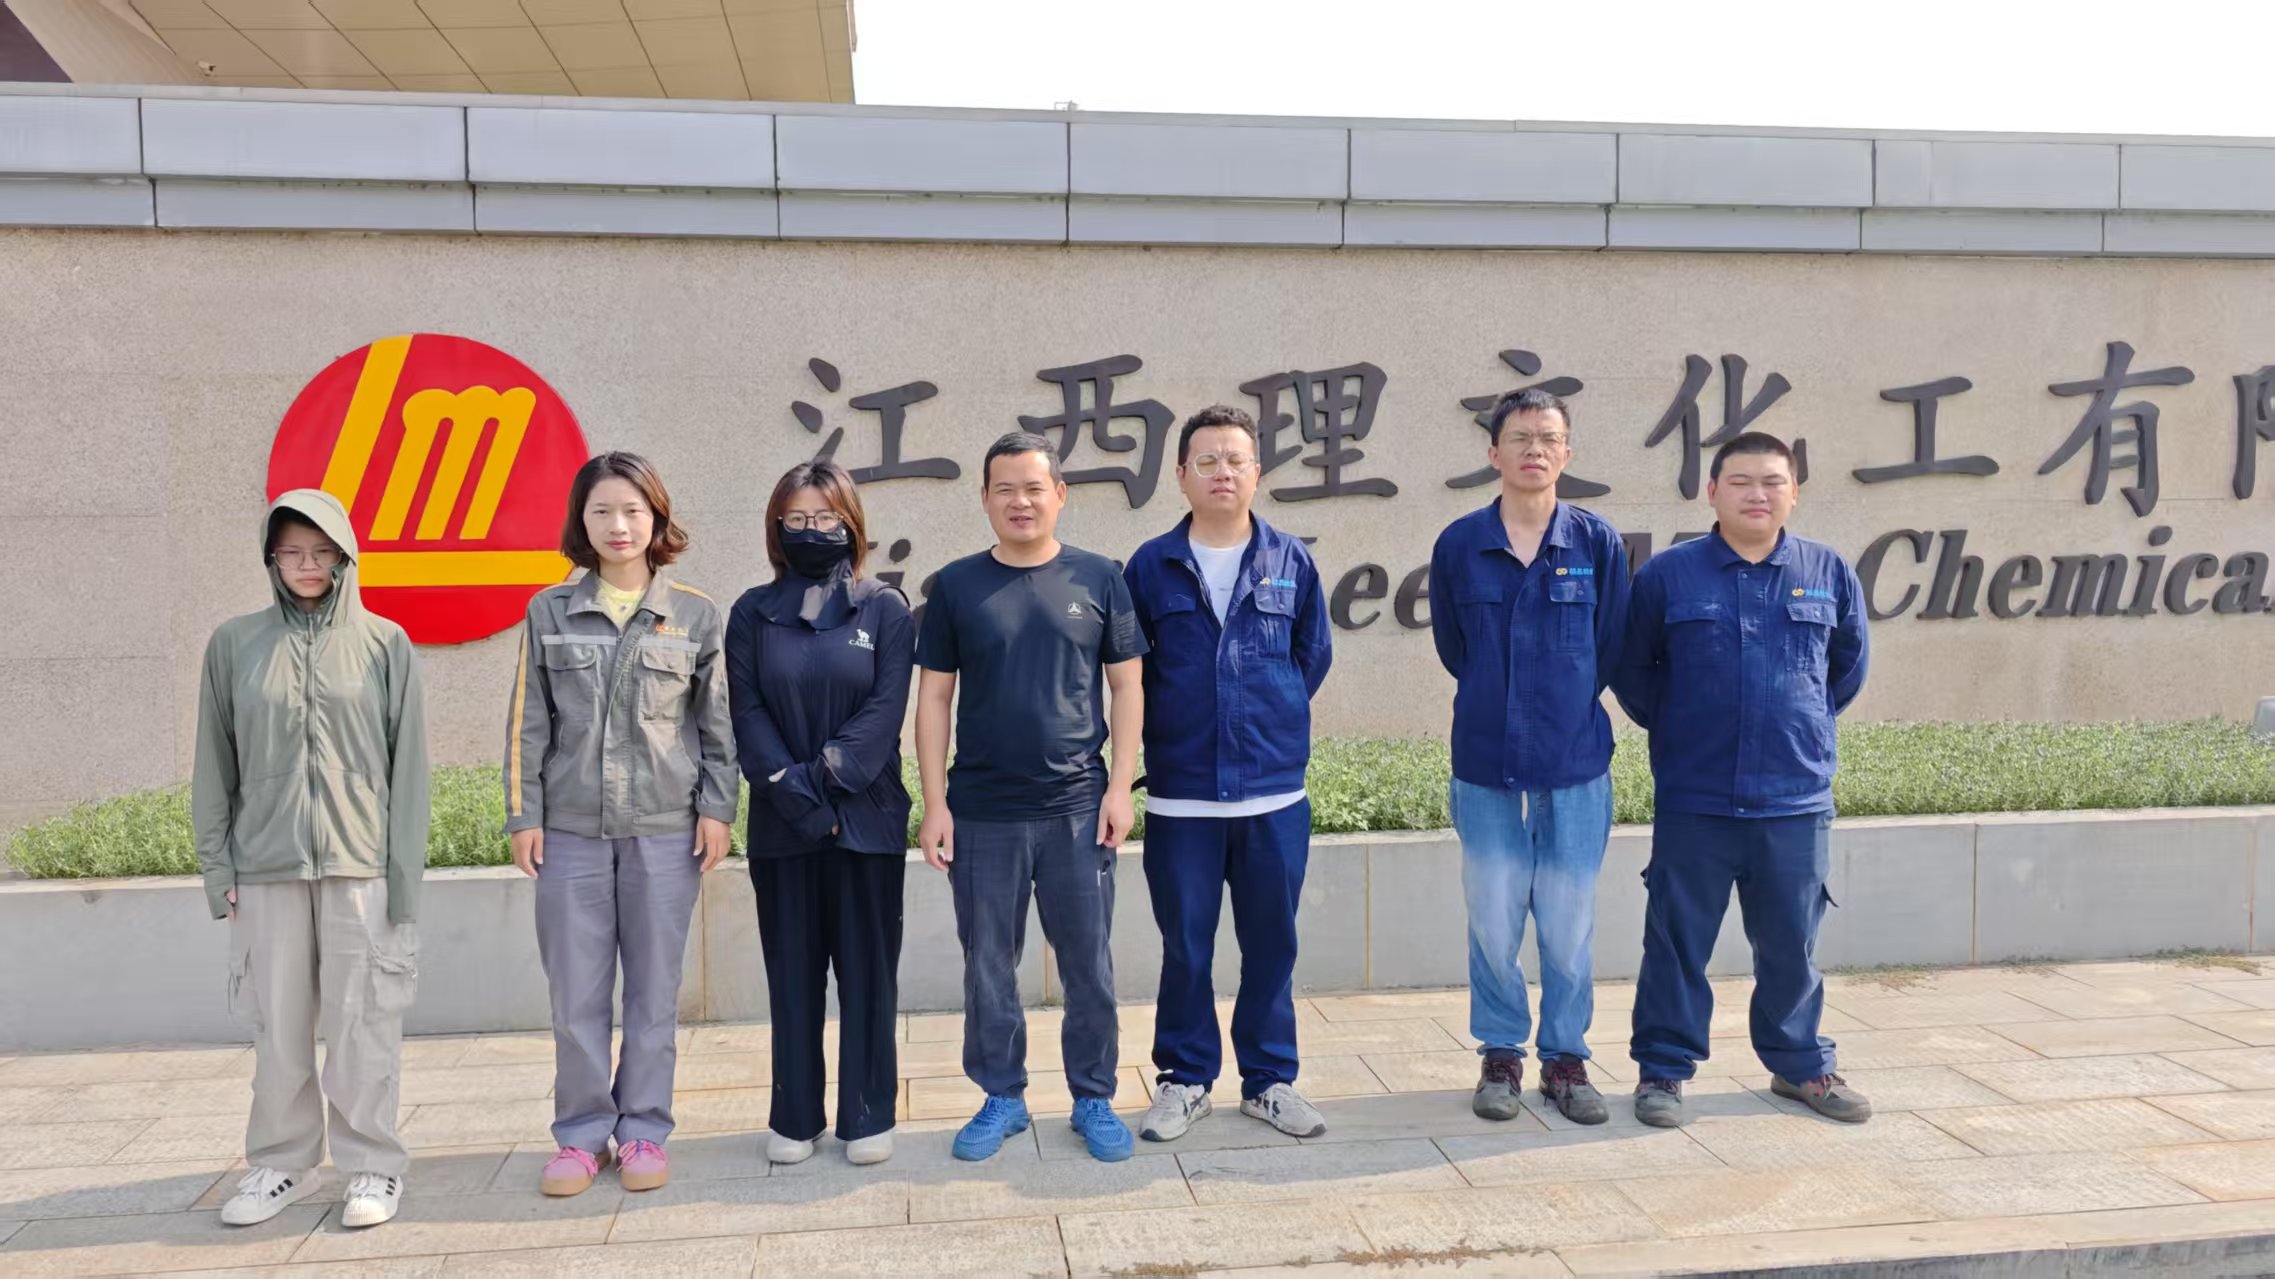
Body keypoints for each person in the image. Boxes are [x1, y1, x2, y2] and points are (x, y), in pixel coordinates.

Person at [1613, 431, 1872, 1128]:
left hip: (1793, 798)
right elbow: (1635, 673)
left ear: (1794, 491)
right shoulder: (1668, 576)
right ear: (1712, 492)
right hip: (1695, 797)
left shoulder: (1826, 570)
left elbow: (1845, 669)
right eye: (1740, 481)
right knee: (1676, 942)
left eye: (1771, 481)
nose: (1757, 494)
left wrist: (1799, 724)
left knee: (1792, 942)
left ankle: (1800, 1065)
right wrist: (1684, 730)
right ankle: (1662, 1070)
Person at [505, 452, 738, 1195]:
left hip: (664, 830)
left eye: (634, 511)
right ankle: (580, 1137)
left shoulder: (694, 613)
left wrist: (717, 809)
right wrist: (524, 814)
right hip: (570, 831)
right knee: (575, 995)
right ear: (581, 519)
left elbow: (717, 727)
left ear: (656, 519)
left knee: (652, 992)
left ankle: (642, 1129)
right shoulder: (549, 611)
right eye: (602, 510)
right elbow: (527, 724)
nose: (619, 525)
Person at [195, 489, 428, 1230]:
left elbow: (409, 772)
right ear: (271, 558)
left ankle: (373, 1167)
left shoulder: (385, 643)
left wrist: (403, 881)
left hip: (361, 866)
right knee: (278, 1029)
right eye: (291, 551)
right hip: (266, 867)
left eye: (321, 552)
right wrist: (218, 870)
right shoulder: (234, 644)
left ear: (345, 558)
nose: (306, 564)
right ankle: (281, 1164)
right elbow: (214, 765)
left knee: (364, 1026)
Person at [914, 430, 1147, 1164]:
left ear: (1060, 495)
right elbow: (934, 698)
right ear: (984, 498)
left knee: (1089, 964)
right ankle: (1001, 1096)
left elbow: (1127, 686)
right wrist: (935, 803)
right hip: (983, 810)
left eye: (1033, 487)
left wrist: (1119, 787)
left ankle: (1093, 1096)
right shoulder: (955, 586)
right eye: (1005, 489)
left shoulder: (1099, 577)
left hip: (1077, 807)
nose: (1020, 501)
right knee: (988, 963)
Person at [1122, 406, 1333, 1142]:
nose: (1222, 472)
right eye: (1206, 460)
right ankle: (1184, 1080)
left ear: (1257, 473)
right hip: (1181, 797)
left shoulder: (1290, 560)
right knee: (1186, 948)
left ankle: (1269, 1080)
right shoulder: (1150, 566)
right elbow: (1131, 674)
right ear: (1181, 474)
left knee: (1272, 945)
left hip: (1273, 795)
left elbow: (1310, 658)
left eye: (1235, 460)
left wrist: (1266, 718)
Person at [1426, 388, 1629, 1126]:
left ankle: (1566, 1059)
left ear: (1566, 453)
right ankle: (1501, 1054)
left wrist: (1557, 706)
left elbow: (1610, 647)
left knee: (1568, 926)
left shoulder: (1596, 544)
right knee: (1492, 920)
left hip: (1574, 766)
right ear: (1494, 452)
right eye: (1519, 437)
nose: (1534, 449)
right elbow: (1454, 648)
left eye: (1547, 438)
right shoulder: (1459, 544)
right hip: (1485, 765)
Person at [725, 460, 914, 1168]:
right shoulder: (751, 613)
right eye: (797, 519)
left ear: (851, 524)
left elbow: (883, 715)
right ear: (777, 527)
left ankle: (868, 1113)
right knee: (793, 976)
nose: (812, 530)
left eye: (826, 518)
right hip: (784, 826)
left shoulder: (884, 609)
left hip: (867, 821)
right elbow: (748, 715)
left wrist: (825, 786)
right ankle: (795, 1114)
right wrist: (801, 799)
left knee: (868, 975)